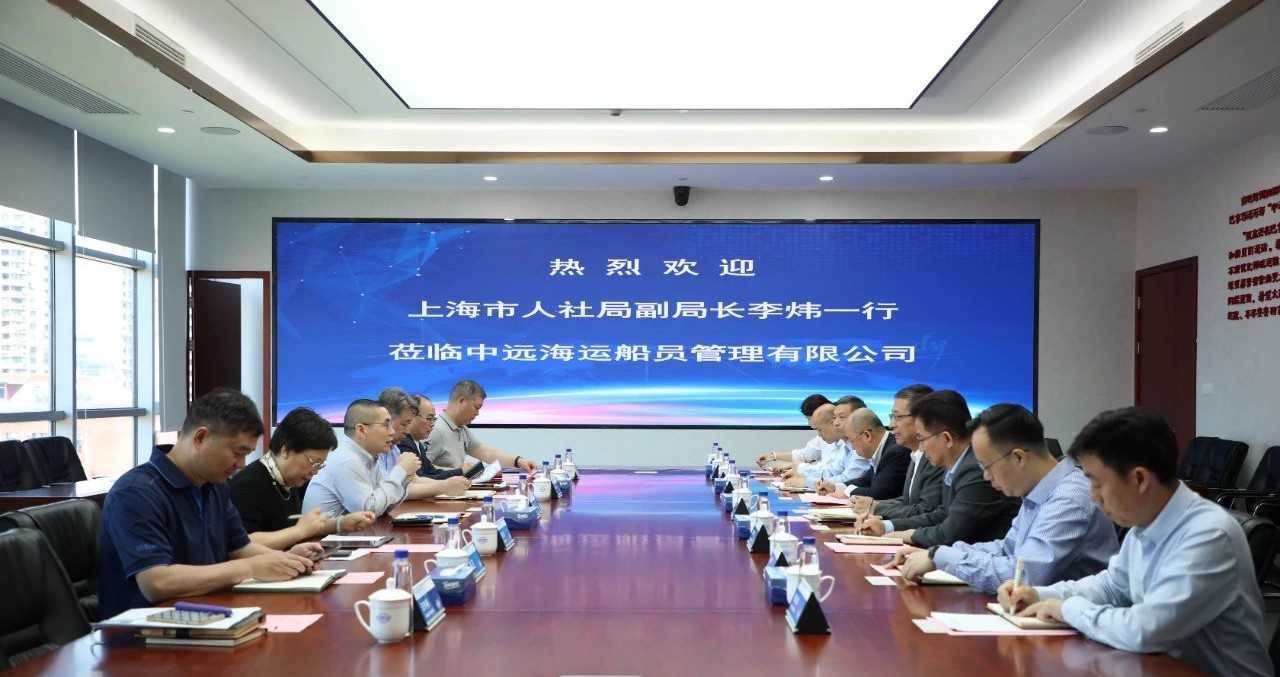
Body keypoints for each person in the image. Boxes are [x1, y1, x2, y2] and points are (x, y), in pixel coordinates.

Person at [1000, 407, 1271, 677]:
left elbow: (1147, 630)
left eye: (1097, 484)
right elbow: (1112, 587)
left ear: (1139, 479)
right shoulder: (1145, 524)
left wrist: (1068, 609)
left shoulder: (1208, 535)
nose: (1092, 496)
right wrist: (1039, 594)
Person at [100, 388, 315, 618]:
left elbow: (239, 548)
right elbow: (156, 583)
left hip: (209, 615)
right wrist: (251, 567)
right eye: (237, 452)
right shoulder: (135, 493)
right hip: (147, 631)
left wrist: (285, 560)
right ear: (200, 437)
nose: (241, 465)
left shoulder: (214, 486)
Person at [890, 404, 1117, 593]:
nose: (986, 476)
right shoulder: (1039, 490)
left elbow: (1020, 576)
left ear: (1018, 458)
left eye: (986, 466)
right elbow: (1007, 550)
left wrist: (940, 557)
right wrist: (936, 553)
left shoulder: (1069, 498)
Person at [857, 390, 1019, 547]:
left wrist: (904, 535)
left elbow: (950, 533)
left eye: (922, 438)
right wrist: (886, 526)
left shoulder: (975, 469)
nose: (921, 448)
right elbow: (940, 515)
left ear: (946, 438)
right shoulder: (956, 463)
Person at [229, 407, 375, 549]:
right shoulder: (248, 485)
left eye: (320, 465)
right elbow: (244, 544)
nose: (315, 472)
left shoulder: (288, 480)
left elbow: (302, 529)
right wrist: (299, 531)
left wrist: (340, 524)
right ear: (286, 450)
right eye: (314, 462)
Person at [302, 398, 418, 517]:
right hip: (327, 529)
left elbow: (385, 506)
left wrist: (405, 480)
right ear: (361, 430)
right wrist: (400, 470)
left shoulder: (369, 456)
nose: (392, 432)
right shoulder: (346, 460)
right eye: (386, 425)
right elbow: (369, 511)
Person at [852, 384, 944, 518]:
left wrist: (878, 511)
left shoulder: (935, 457)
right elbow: (908, 501)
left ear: (922, 418)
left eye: (898, 417)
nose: (891, 425)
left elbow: (925, 509)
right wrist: (873, 504)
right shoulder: (915, 454)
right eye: (892, 417)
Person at [373, 387, 471, 498]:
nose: (407, 431)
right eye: (404, 424)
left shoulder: (394, 448)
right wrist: (444, 487)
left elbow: (414, 480)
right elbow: (389, 492)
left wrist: (449, 484)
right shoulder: (373, 450)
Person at [426, 380, 537, 474]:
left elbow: (487, 453)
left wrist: (518, 461)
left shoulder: (462, 430)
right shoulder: (435, 431)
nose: (477, 413)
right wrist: (458, 471)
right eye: (476, 407)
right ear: (461, 401)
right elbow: (421, 469)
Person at [814, 407, 910, 499]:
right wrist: (834, 487)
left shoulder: (896, 453)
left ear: (867, 435)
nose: (852, 448)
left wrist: (846, 492)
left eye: (851, 441)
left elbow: (879, 493)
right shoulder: (883, 448)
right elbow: (866, 481)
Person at [781, 395, 871, 488]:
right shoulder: (847, 444)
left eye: (841, 417)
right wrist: (806, 478)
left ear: (859, 418)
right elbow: (833, 472)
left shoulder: (862, 443)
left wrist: (808, 482)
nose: (836, 423)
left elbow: (849, 480)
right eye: (835, 418)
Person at [401, 394, 477, 479]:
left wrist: (461, 471)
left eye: (434, 419)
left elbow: (432, 472)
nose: (432, 424)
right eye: (429, 418)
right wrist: (459, 473)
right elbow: (421, 479)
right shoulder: (404, 443)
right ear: (412, 417)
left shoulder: (418, 444)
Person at [756, 393, 833, 471]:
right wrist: (773, 456)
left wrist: (796, 465)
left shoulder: (837, 440)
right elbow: (806, 454)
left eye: (809, 418)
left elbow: (829, 469)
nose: (809, 424)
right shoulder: (824, 437)